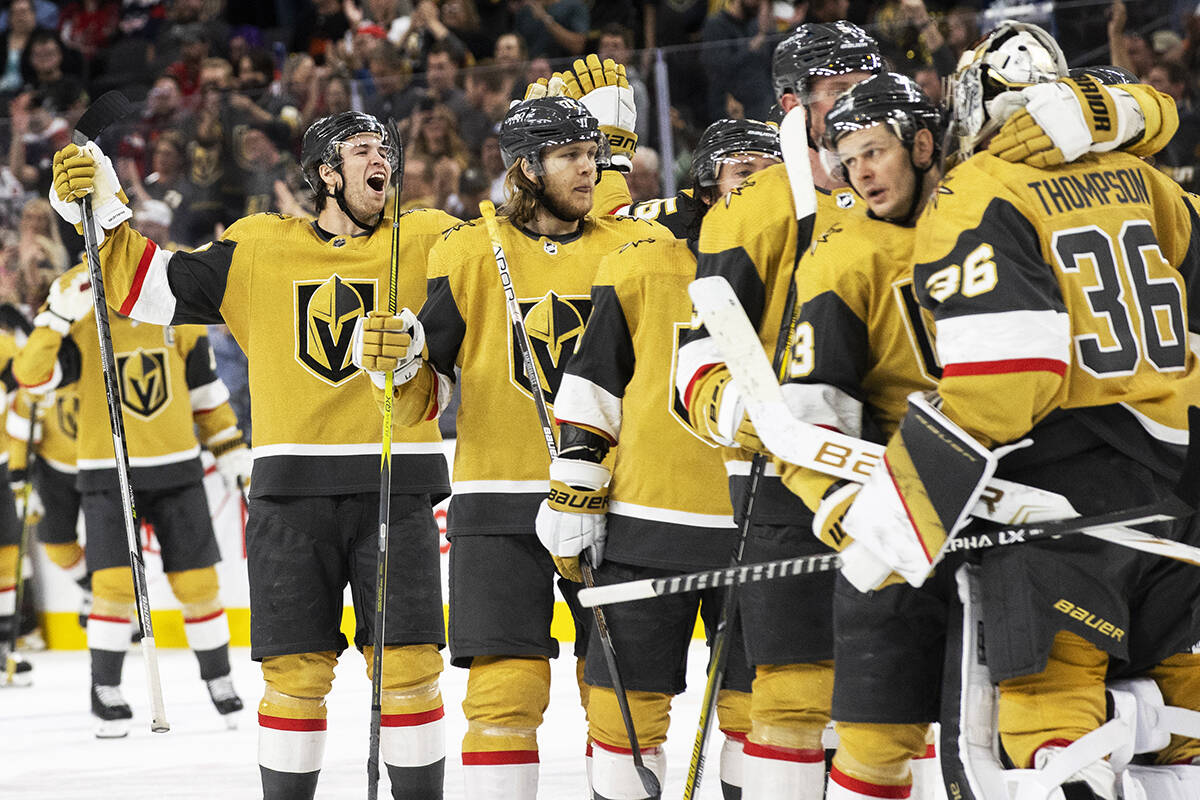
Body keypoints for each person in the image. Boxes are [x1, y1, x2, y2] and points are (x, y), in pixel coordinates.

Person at [829, 21, 1200, 800]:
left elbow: (1006, 378)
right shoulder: (1147, 179)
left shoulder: (981, 190)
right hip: (1181, 489)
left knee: (1049, 734)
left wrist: (899, 520)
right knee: (1183, 729)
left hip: (1056, 501)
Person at [47, 111, 454, 798]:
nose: (380, 159)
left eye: (385, 149)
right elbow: (144, 287)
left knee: (410, 667)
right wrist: (100, 211)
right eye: (362, 150)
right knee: (295, 677)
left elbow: (521, 261)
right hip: (289, 501)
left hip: (398, 486)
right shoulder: (260, 247)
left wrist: (601, 165)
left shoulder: (430, 237)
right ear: (326, 172)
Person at [353, 74, 655, 799]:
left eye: (594, 152)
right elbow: (428, 396)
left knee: (624, 700)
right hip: (497, 504)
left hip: (612, 500)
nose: (592, 167)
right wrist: (392, 369)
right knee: (503, 699)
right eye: (572, 155)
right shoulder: (465, 252)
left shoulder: (636, 248)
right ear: (526, 167)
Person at [542, 117, 782, 800]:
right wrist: (576, 482)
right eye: (743, 178)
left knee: (761, 710)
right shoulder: (642, 264)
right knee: (625, 714)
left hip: (765, 528)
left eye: (771, 179)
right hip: (649, 525)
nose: (759, 193)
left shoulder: (809, 265)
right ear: (707, 189)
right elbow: (592, 389)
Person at [13, 262, 248, 737]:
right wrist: (56, 316)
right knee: (115, 588)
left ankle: (219, 679)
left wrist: (231, 451)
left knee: (199, 584)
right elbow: (31, 378)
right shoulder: (83, 325)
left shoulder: (177, 318)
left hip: (178, 470)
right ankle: (106, 689)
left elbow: (206, 394)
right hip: (107, 474)